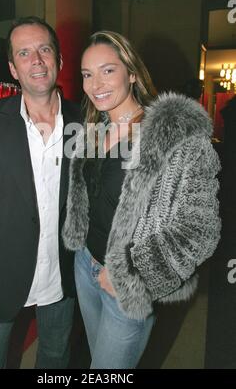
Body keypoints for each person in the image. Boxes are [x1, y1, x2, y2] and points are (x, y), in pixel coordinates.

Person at [62, 30, 221, 369]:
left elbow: (200, 229)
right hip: (85, 265)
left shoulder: (174, 136)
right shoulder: (94, 129)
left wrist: (134, 270)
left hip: (127, 282)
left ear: (132, 73)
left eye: (108, 70)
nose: (95, 84)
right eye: (87, 74)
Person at [0, 16, 81, 369]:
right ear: (13, 69)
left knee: (55, 358)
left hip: (63, 276)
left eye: (44, 49)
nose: (36, 60)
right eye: (24, 53)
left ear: (59, 60)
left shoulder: (86, 123)